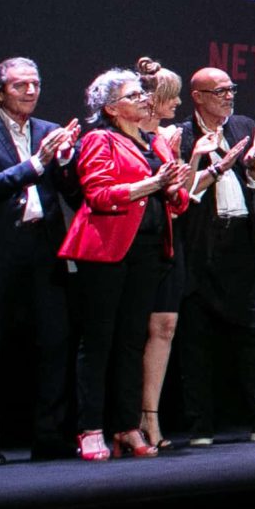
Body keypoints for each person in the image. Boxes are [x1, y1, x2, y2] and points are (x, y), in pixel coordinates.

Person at [0, 55, 82, 465]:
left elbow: (72, 194)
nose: (30, 91)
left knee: (56, 342)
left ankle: (49, 436)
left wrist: (65, 163)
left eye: (35, 84)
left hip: (45, 247)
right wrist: (38, 162)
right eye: (20, 85)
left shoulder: (49, 131)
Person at [60, 67, 191, 461]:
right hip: (108, 249)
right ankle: (90, 428)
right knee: (99, 340)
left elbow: (177, 202)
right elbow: (98, 194)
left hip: (149, 249)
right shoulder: (99, 139)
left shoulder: (155, 142)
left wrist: (175, 187)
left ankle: (126, 426)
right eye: (133, 95)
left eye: (142, 94)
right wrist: (151, 184)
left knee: (132, 341)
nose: (144, 100)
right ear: (112, 108)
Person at [171, 66, 255, 445]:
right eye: (220, 91)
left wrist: (254, 162)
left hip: (240, 240)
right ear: (198, 97)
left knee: (254, 334)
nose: (229, 97)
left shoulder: (244, 126)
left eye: (232, 89)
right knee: (196, 338)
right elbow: (183, 192)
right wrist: (216, 166)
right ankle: (200, 427)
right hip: (200, 242)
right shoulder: (180, 135)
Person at [135, 58, 187, 449]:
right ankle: (126, 418)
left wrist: (193, 160)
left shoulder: (166, 138)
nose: (178, 103)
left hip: (168, 236)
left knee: (165, 325)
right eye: (172, 96)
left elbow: (181, 195)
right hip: (136, 240)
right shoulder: (130, 136)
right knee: (132, 330)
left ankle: (150, 415)